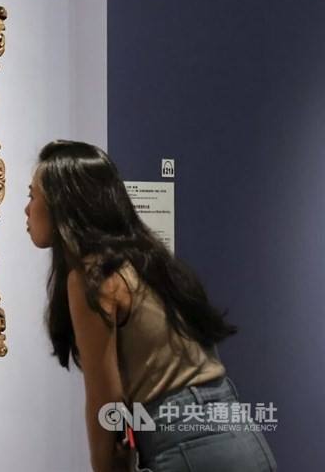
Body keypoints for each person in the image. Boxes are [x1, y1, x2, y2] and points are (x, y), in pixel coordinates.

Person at [25, 140, 276, 472]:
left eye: (33, 196)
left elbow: (107, 403)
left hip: (186, 447)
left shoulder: (92, 277)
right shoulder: (147, 260)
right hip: (238, 435)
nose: (27, 209)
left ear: (62, 205)